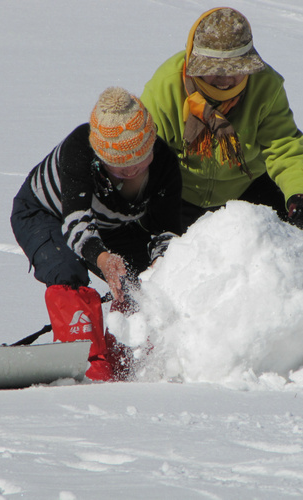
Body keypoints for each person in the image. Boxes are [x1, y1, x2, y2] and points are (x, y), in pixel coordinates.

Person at [141, 7, 303, 355]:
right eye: (214, 70)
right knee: (149, 259)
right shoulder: (165, 87)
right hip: (178, 192)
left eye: (235, 69)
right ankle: (144, 342)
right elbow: (148, 157)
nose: (224, 79)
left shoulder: (267, 87)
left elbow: (284, 148)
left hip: (247, 187)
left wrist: (299, 197)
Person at [11, 87, 182, 381]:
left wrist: (158, 266)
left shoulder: (165, 165)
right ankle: (88, 364)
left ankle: (127, 359)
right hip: (45, 214)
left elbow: (164, 230)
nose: (130, 171)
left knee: (135, 281)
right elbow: (76, 223)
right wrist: (102, 258)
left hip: (109, 225)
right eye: (118, 165)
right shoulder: (79, 149)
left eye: (138, 161)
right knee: (67, 270)